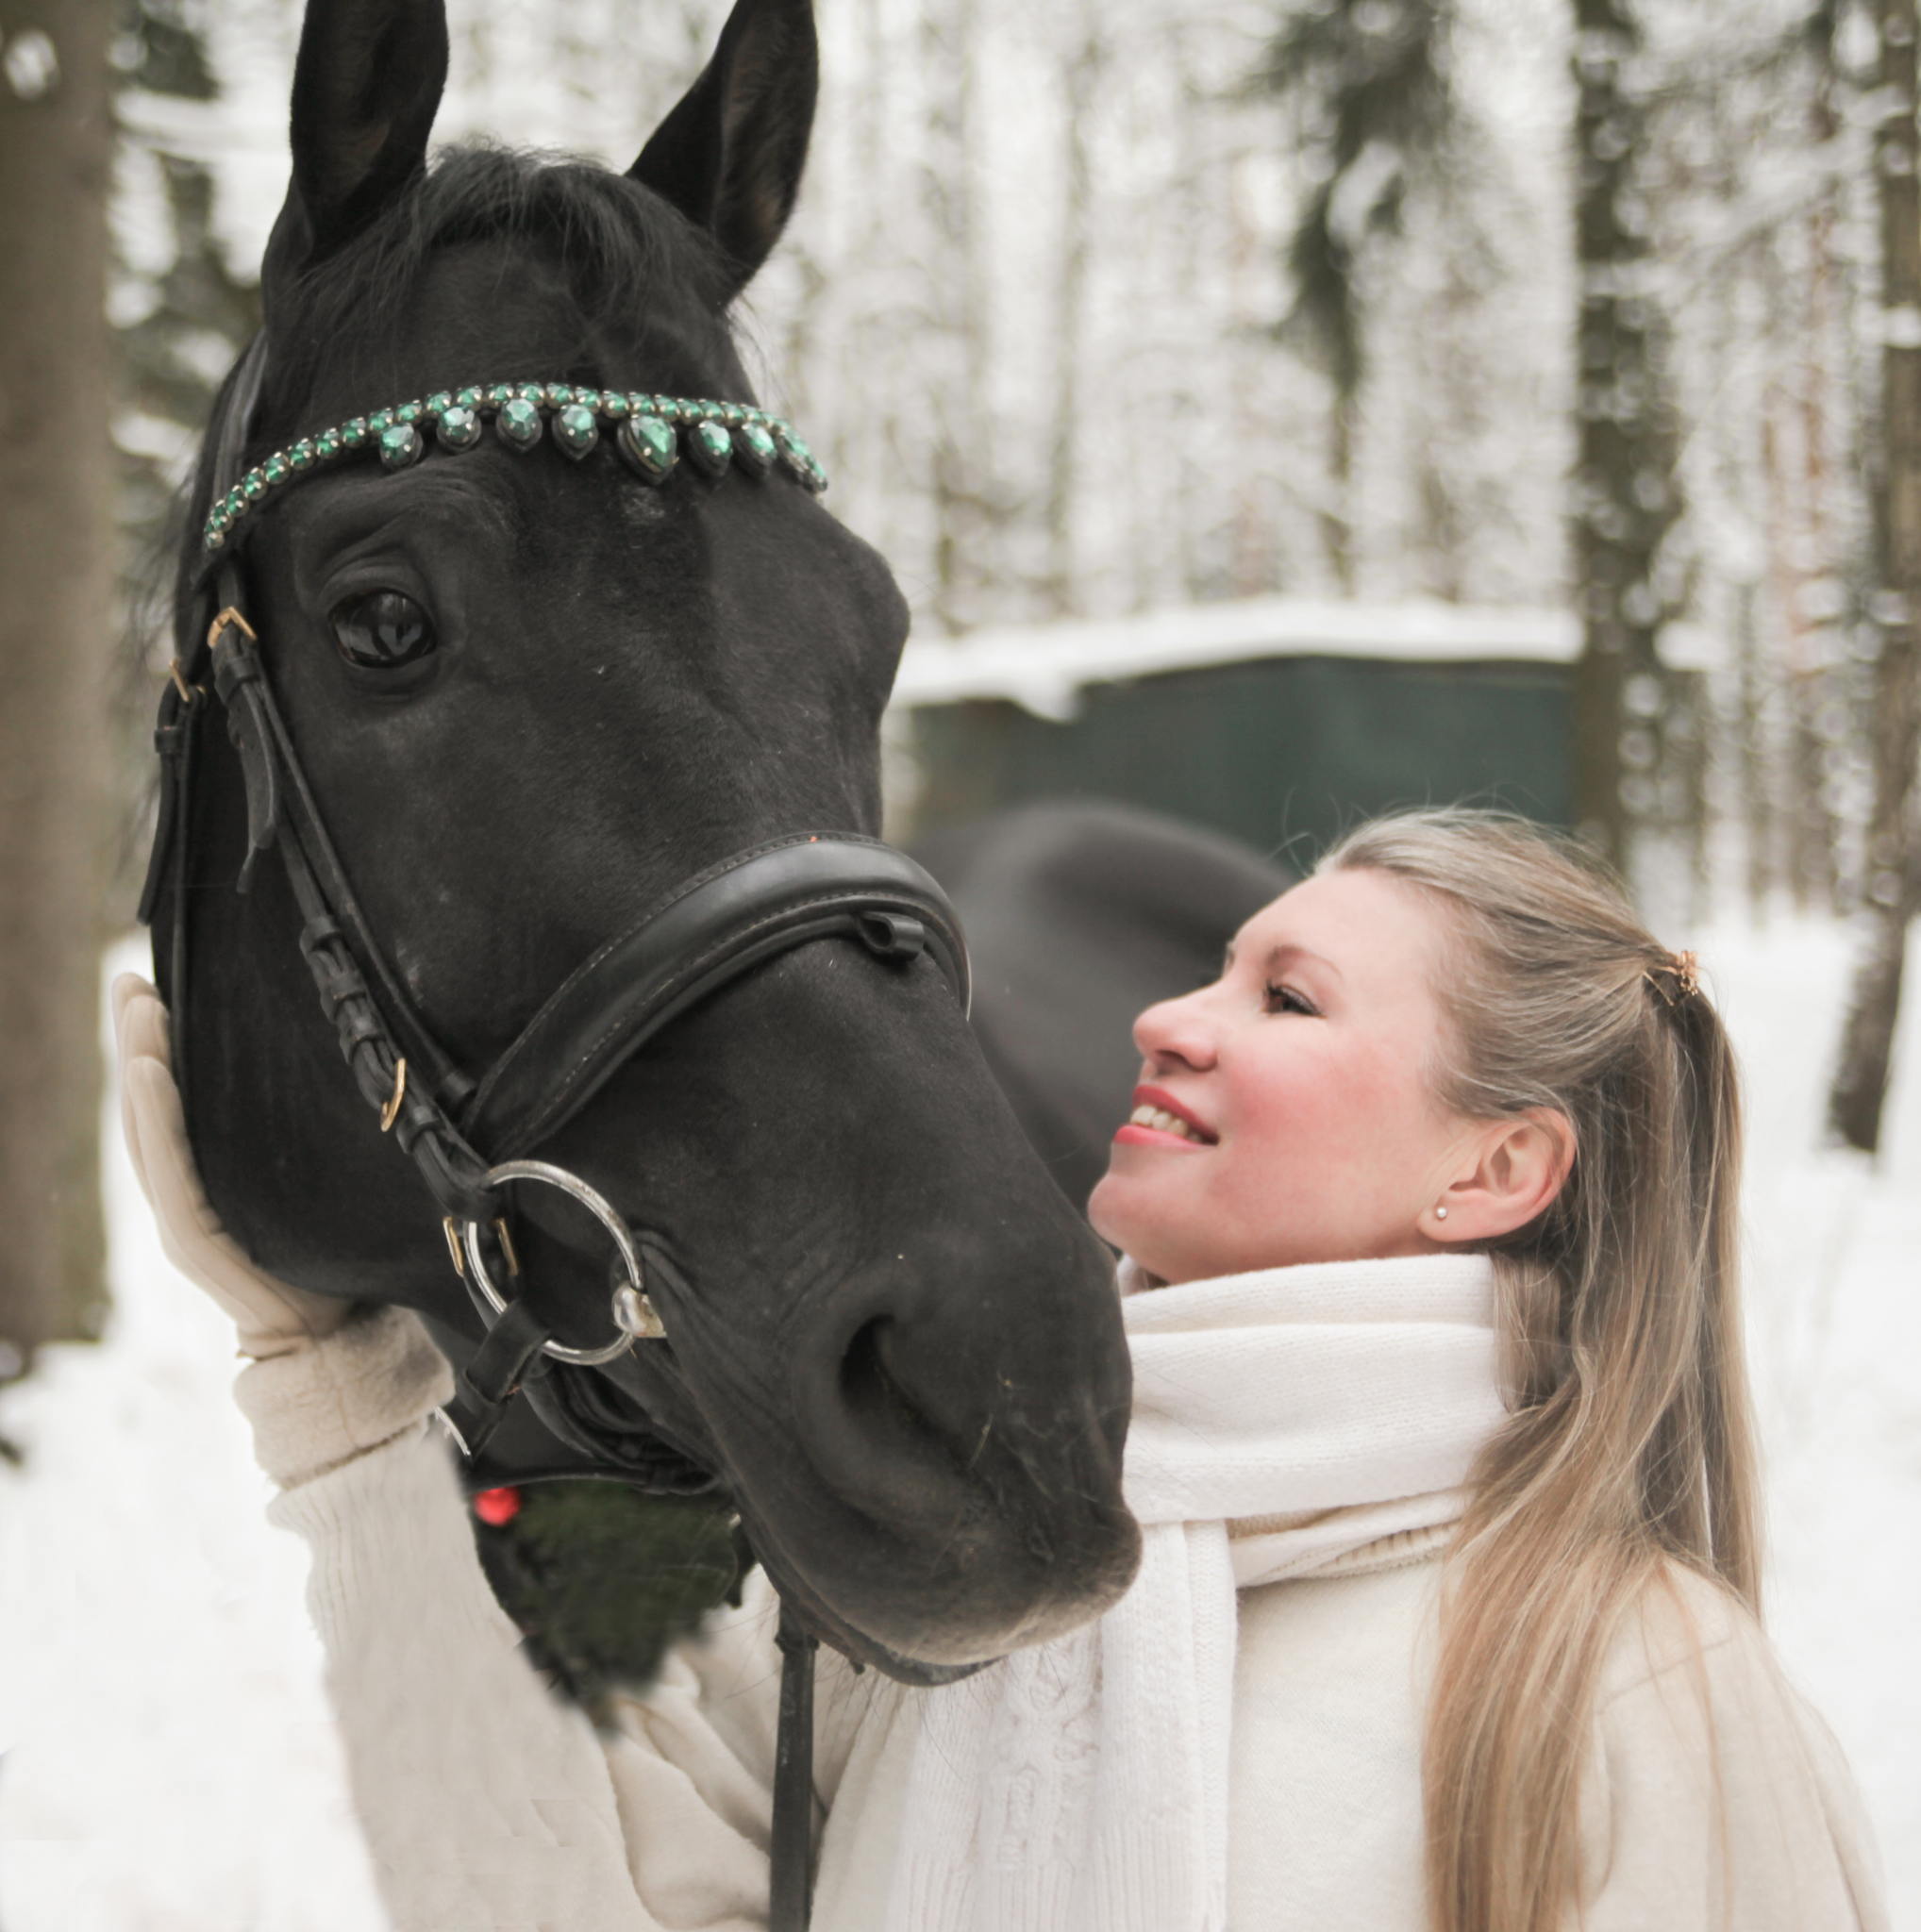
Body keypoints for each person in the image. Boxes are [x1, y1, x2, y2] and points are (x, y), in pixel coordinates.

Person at [114, 807, 1888, 1932]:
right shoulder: (955, 1573)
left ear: (1494, 1169)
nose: (1166, 1016)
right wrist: (336, 1372)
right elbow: (537, 1893)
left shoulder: (1631, 1690)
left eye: (1287, 1001)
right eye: (1214, 970)